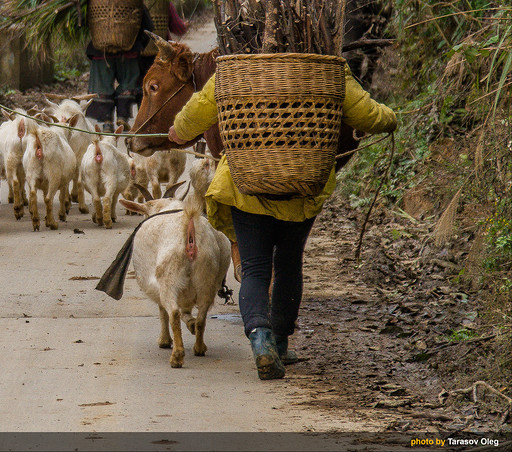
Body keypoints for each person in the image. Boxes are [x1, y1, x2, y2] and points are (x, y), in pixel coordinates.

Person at [167, 66, 396, 380]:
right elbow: (370, 116)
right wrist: (391, 117)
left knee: (256, 267)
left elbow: (188, 122)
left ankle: (261, 342)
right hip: (302, 187)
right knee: (288, 263)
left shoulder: (235, 70)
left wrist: (177, 133)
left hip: (247, 187)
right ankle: (280, 342)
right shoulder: (326, 70)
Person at [84, 2, 155, 131]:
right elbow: (148, 26)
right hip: (129, 51)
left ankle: (107, 121)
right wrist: (138, 45)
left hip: (101, 52)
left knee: (102, 86)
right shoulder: (133, 1)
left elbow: (85, 25)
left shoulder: (95, 2)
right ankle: (122, 116)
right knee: (129, 83)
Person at [139, 0, 190, 81]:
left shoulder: (135, 1)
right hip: (162, 53)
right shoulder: (165, 3)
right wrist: (184, 27)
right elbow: (177, 27)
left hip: (138, 52)